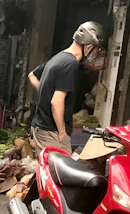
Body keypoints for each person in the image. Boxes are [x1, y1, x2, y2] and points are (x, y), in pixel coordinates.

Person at [28, 21, 107, 154]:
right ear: (88, 46)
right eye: (97, 49)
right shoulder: (70, 64)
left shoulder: (58, 58)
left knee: (48, 171)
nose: (96, 54)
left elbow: (32, 75)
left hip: (41, 127)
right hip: (51, 131)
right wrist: (62, 132)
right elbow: (56, 102)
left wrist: (45, 91)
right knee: (60, 173)